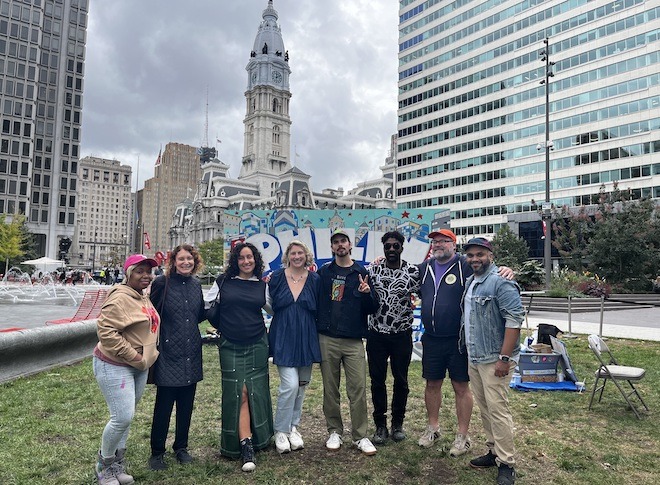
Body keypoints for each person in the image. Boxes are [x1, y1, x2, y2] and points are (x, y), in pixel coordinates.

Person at [417, 229, 513, 457]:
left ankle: (463, 436)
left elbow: (488, 268)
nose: (438, 244)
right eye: (435, 241)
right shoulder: (424, 268)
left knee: (461, 387)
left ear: (453, 244)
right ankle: (433, 427)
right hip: (431, 338)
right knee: (432, 384)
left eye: (443, 241)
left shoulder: (465, 265)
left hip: (458, 340)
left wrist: (507, 269)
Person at [92, 254, 160, 485]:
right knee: (122, 417)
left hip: (137, 367)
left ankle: (117, 465)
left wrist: (144, 359)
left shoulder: (141, 296)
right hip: (115, 364)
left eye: (148, 271)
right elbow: (107, 334)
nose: (146, 276)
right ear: (128, 273)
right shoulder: (119, 298)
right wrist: (135, 356)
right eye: (140, 271)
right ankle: (104, 466)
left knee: (126, 418)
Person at [206, 242, 273, 472]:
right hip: (230, 345)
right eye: (242, 258)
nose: (246, 262)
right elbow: (207, 306)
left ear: (256, 260)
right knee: (239, 392)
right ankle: (244, 445)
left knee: (257, 391)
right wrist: (221, 324)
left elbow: (275, 309)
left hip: (257, 344)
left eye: (250, 257)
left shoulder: (261, 286)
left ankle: (260, 438)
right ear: (236, 260)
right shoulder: (223, 282)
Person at [461, 237, 523, 485]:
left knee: (498, 410)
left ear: (490, 255)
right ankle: (493, 451)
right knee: (485, 408)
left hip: (495, 358)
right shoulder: (470, 282)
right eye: (471, 255)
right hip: (475, 356)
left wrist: (504, 358)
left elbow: (514, 321)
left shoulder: (501, 282)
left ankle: (507, 463)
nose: (475, 259)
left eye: (480, 254)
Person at [316, 228, 379, 456]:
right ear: (332, 248)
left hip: (353, 340)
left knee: (358, 389)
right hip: (328, 338)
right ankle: (334, 431)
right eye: (336, 242)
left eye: (343, 241)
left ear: (350, 245)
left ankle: (360, 435)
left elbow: (373, 307)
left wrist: (366, 292)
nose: (340, 245)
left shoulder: (361, 272)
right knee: (330, 389)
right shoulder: (324, 273)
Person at [148, 244, 206, 470]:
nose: (186, 262)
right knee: (164, 405)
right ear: (173, 261)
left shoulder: (196, 284)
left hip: (191, 351)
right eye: (181, 259)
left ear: (195, 261)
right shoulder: (162, 283)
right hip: (168, 352)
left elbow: (200, 314)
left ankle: (181, 447)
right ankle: (157, 452)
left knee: (186, 405)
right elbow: (152, 315)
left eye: (189, 259)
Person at [366, 231, 420, 445]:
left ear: (401, 247)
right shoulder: (373, 270)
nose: (391, 250)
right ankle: (380, 425)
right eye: (387, 246)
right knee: (377, 381)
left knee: (401, 380)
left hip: (401, 334)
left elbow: (426, 290)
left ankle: (397, 423)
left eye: (395, 246)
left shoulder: (412, 272)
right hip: (377, 334)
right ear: (383, 248)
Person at [268, 240, 321, 454]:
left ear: (306, 255)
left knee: (301, 385)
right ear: (287, 256)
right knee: (289, 385)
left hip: (307, 335)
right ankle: (280, 430)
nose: (297, 256)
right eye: (293, 253)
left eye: (300, 253)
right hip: (283, 334)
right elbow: (267, 303)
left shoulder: (315, 279)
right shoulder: (277, 277)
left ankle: (293, 427)